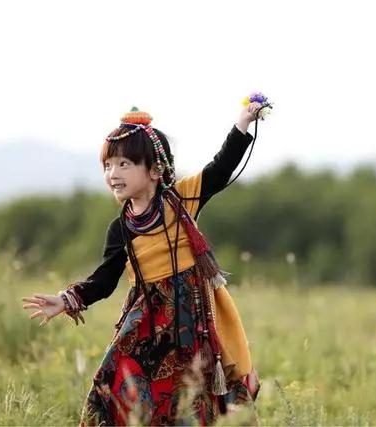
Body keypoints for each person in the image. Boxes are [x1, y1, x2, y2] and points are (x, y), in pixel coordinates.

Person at [21, 99, 268, 426]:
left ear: (154, 170)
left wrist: (243, 123)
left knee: (192, 397)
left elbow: (221, 168)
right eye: (108, 166)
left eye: (124, 164)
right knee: (112, 383)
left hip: (190, 321)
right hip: (145, 322)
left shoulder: (183, 199)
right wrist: (67, 300)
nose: (113, 174)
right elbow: (104, 280)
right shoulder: (121, 228)